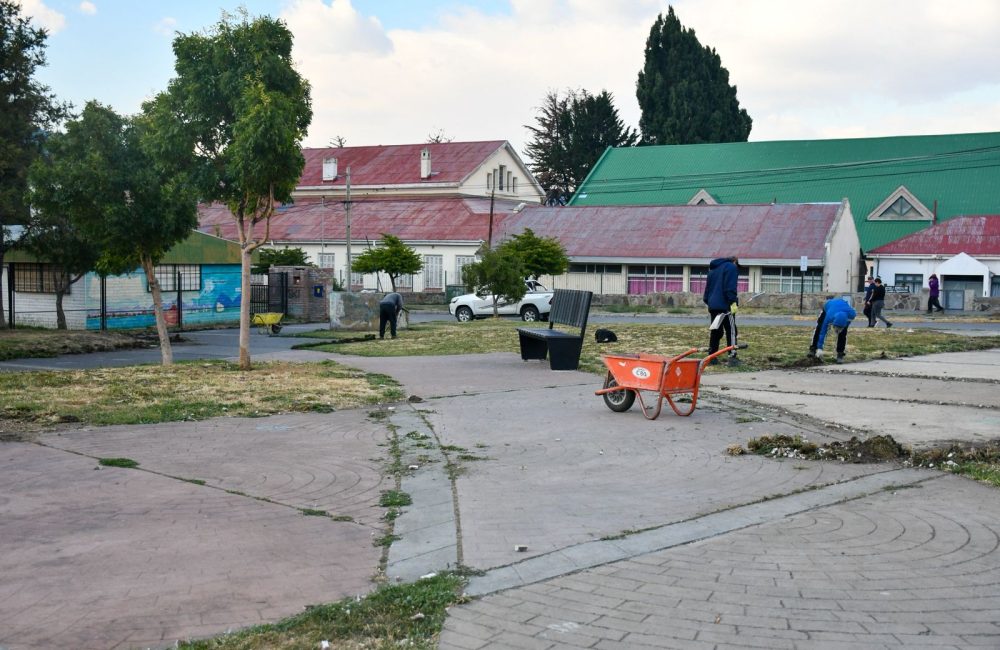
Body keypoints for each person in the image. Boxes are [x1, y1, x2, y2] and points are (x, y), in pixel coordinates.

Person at [703, 256, 740, 365]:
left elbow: (707, 291)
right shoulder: (731, 267)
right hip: (725, 305)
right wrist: (733, 302)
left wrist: (710, 302)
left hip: (713, 305)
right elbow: (730, 287)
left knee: (716, 331)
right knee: (731, 330)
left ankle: (712, 357)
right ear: (735, 262)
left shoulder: (713, 270)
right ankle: (732, 357)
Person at [808, 296, 857, 364]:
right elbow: (823, 332)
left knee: (843, 333)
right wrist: (820, 348)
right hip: (829, 306)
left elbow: (848, 323)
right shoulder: (829, 316)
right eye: (836, 327)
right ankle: (813, 349)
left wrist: (843, 327)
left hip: (842, 310)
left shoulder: (852, 314)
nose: (837, 330)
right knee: (819, 328)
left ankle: (840, 354)